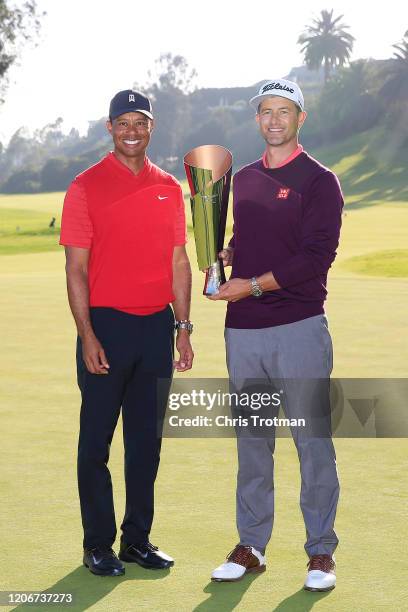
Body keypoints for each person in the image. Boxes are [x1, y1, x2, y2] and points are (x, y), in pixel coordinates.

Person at [210, 79, 343, 592]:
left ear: (300, 118)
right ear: (257, 119)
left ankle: (320, 552)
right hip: (244, 331)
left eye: (283, 111)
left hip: (299, 328)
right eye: (265, 111)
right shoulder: (241, 179)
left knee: (312, 442)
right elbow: (250, 241)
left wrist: (253, 285)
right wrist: (228, 258)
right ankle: (252, 546)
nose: (273, 120)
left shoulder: (319, 181)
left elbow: (316, 256)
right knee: (252, 443)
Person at [59, 89, 194, 577]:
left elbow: (179, 261)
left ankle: (137, 539)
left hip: (156, 327)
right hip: (107, 328)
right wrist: (88, 334)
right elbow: (76, 269)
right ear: (109, 127)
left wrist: (182, 328)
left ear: (151, 127)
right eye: (123, 123)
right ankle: (97, 544)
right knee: (96, 444)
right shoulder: (85, 186)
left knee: (146, 444)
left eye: (140, 122)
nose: (132, 130)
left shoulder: (168, 187)